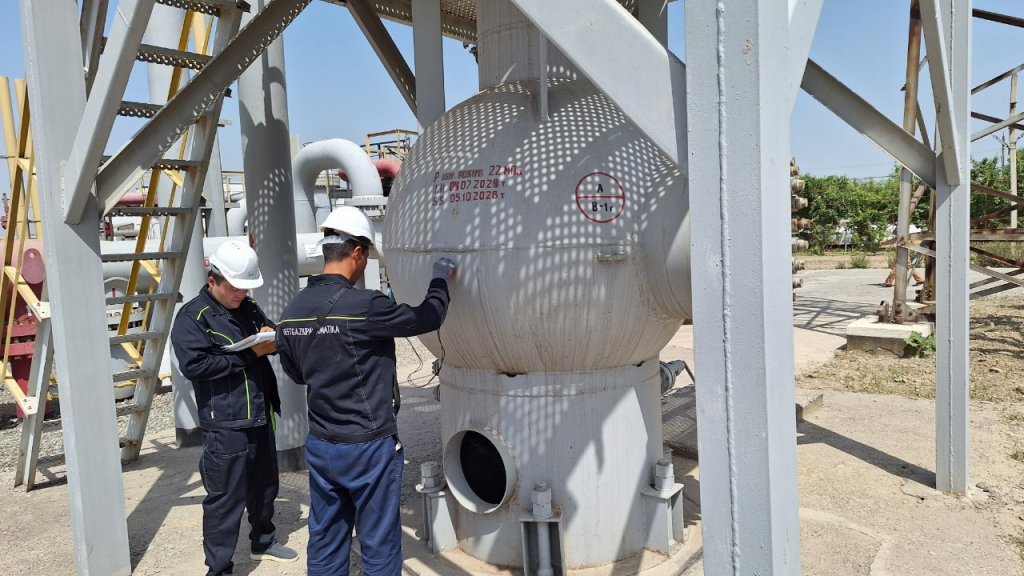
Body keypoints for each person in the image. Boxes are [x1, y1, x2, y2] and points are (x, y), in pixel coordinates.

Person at [275, 206, 455, 576]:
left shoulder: (292, 309)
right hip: (367, 445)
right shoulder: (365, 305)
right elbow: (428, 317)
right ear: (357, 252)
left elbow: (296, 374)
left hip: (322, 442)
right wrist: (440, 280)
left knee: (326, 539)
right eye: (367, 256)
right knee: (378, 542)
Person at [171, 239, 299, 576]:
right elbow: (196, 366)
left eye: (246, 287)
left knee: (265, 486)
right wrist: (251, 354)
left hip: (259, 414)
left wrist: (272, 339)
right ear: (212, 280)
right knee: (225, 499)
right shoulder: (192, 318)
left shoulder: (249, 308)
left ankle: (263, 541)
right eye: (234, 287)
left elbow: (269, 337)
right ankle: (219, 569)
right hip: (225, 423)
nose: (241, 293)